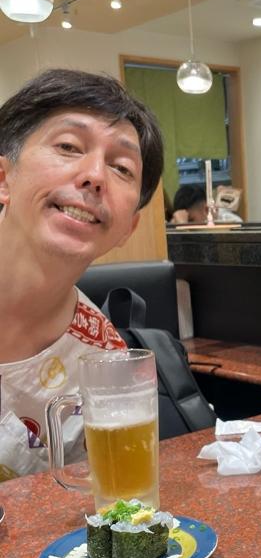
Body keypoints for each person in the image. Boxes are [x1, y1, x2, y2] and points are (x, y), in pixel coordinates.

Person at [0, 68, 163, 480]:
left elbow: (94, 496)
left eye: (122, 167)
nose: (95, 176)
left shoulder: (103, 357)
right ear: (3, 178)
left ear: (129, 228)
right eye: (68, 146)